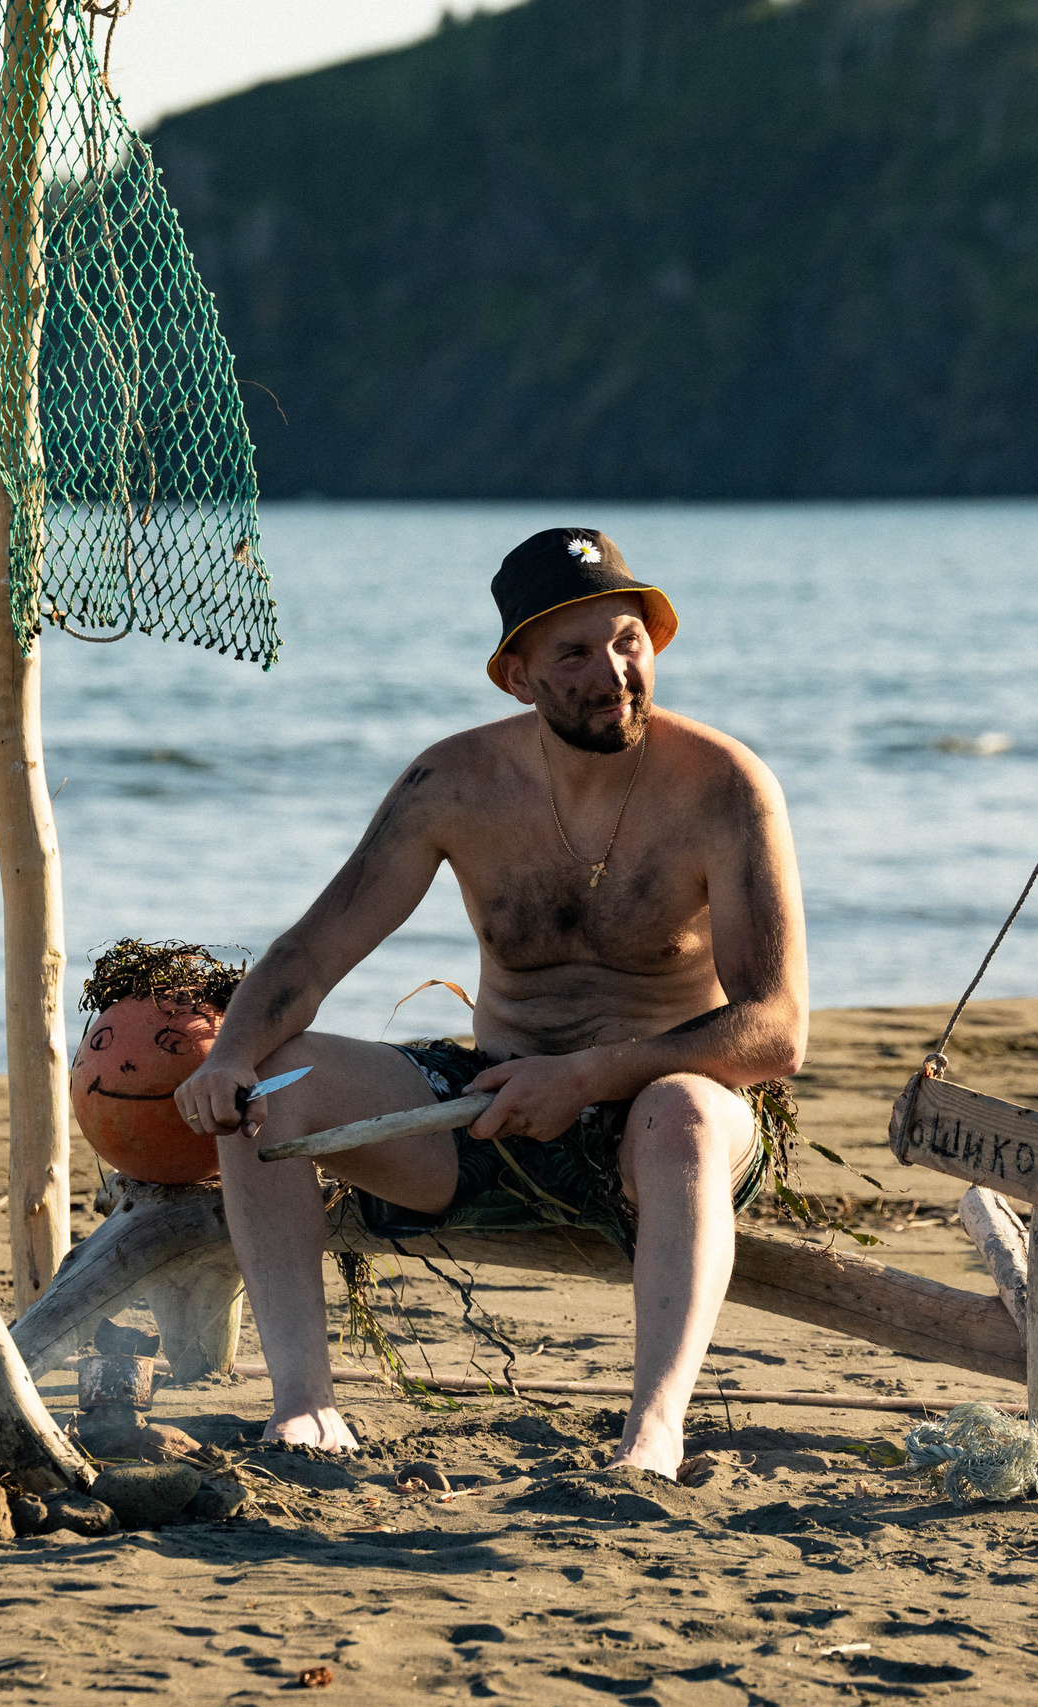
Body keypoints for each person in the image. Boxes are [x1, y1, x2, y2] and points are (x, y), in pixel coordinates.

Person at [173, 527, 809, 1479]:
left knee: (676, 1109)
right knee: (274, 1085)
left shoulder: (724, 786)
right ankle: (304, 1404)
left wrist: (587, 1075)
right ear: (517, 676)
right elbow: (315, 947)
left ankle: (653, 1433)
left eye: (628, 639)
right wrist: (226, 1058)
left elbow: (776, 1028)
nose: (613, 672)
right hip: (496, 1110)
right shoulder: (455, 782)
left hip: (675, 1119)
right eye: (574, 653)